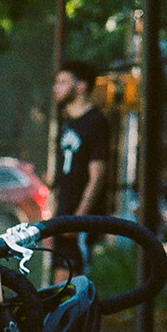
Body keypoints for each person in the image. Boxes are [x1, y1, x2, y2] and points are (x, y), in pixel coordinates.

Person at [51, 60, 112, 277]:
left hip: (80, 220)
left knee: (72, 285)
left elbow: (97, 176)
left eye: (63, 81)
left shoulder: (96, 122)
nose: (56, 87)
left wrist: (78, 219)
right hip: (63, 215)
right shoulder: (66, 122)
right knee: (59, 285)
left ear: (81, 86)